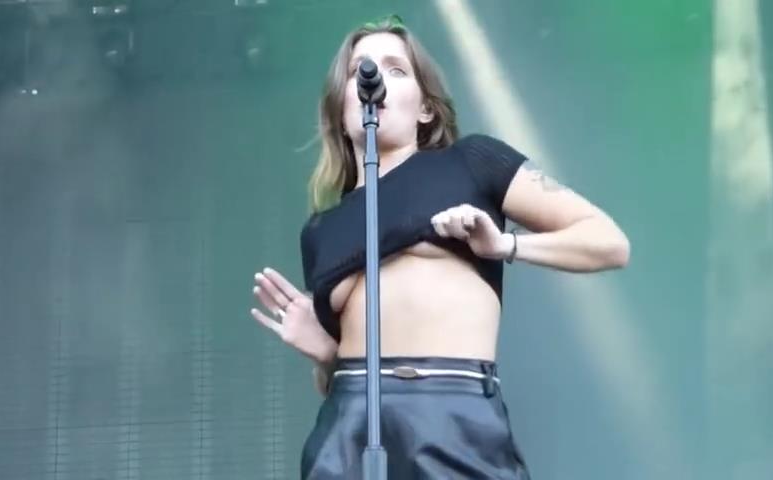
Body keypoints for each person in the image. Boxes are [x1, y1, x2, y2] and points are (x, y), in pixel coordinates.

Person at [250, 15, 630, 480]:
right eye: (358, 71)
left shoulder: (471, 163)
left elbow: (608, 242)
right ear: (342, 107)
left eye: (396, 69)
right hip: (351, 421)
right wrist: (327, 355)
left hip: (455, 416)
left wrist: (505, 245)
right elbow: (338, 371)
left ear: (426, 108)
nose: (374, 78)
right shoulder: (322, 230)